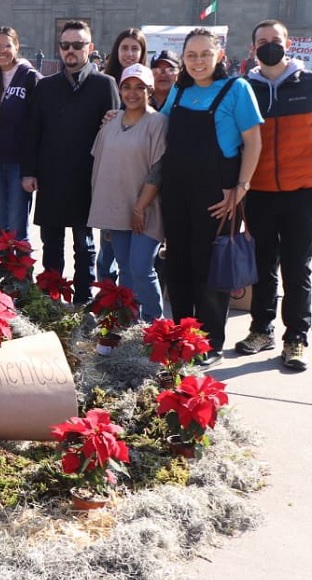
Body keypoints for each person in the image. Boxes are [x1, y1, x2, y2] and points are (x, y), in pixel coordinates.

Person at [160, 28, 263, 365]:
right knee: (178, 265)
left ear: (220, 55)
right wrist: (117, 116)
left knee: (210, 268)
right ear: (183, 59)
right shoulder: (179, 90)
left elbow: (254, 143)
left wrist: (241, 188)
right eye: (191, 55)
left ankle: (208, 343)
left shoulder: (237, 89)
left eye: (205, 54)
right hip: (176, 191)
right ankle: (180, 336)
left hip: (218, 195)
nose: (198, 61)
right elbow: (156, 127)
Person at [22, 20, 120, 304]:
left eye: (78, 45)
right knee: (51, 242)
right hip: (51, 176)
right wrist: (29, 172)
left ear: (89, 48)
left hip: (87, 178)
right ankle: (51, 297)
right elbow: (33, 132)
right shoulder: (46, 86)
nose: (71, 51)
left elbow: (112, 135)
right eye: (65, 46)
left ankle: (83, 298)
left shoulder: (105, 85)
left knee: (84, 244)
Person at [236, 19, 311, 371]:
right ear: (253, 48)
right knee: (262, 268)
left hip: (302, 194)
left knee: (297, 269)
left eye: (275, 40)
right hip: (259, 194)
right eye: (262, 40)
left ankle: (295, 337)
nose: (269, 45)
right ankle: (261, 330)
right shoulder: (243, 88)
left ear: (287, 43)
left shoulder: (308, 84)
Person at [88, 64, 167, 322]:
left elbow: (158, 170)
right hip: (117, 211)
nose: (133, 93)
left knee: (142, 267)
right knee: (125, 269)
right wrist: (107, 216)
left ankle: (154, 324)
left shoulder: (157, 123)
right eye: (127, 86)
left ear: (150, 90)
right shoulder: (109, 125)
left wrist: (140, 207)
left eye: (140, 87)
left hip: (145, 210)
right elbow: (100, 169)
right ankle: (131, 323)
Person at [96, 28, 148, 284]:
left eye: (134, 49)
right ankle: (108, 300)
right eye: (124, 48)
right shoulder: (105, 83)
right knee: (107, 251)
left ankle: (132, 306)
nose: (129, 54)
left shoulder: (149, 86)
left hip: (141, 183)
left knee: (136, 257)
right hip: (112, 180)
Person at [0, 26, 40, 243]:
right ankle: (5, 272)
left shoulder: (30, 77)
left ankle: (21, 275)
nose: (2, 51)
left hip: (20, 164)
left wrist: (32, 169)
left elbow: (39, 123)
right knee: (2, 222)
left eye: (7, 45)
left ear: (17, 46)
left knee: (18, 224)